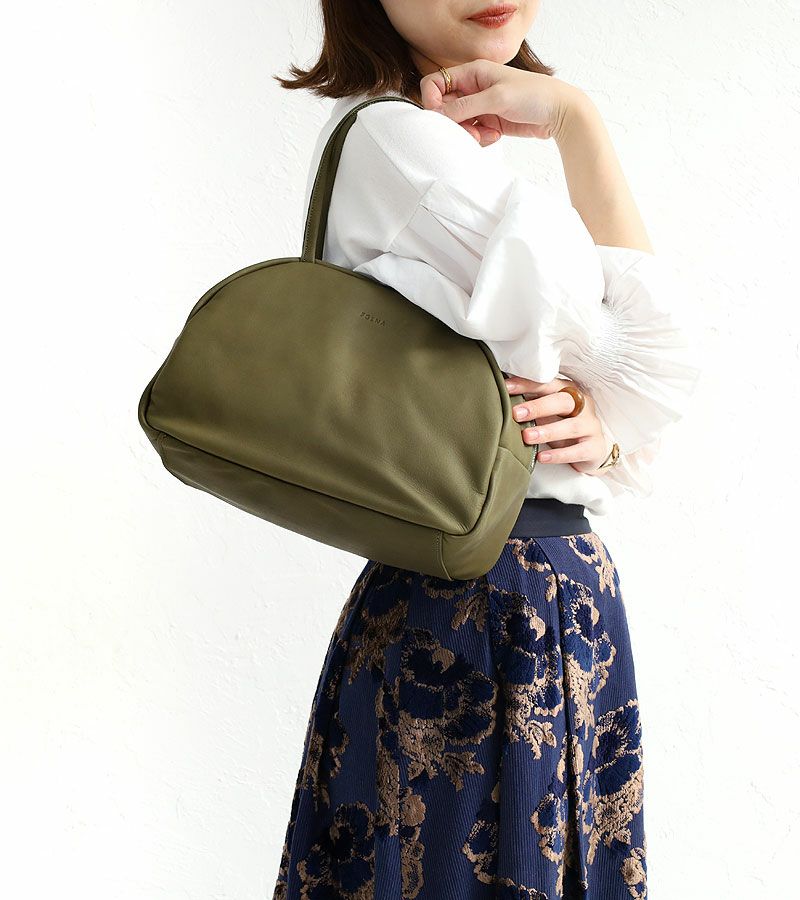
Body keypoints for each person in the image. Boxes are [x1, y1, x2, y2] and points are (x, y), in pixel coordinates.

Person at [271, 2, 701, 897]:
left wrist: (606, 428)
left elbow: (631, 398)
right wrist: (578, 122)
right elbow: (655, 362)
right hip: (490, 607)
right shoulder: (397, 144)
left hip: (515, 599)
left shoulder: (442, 153)